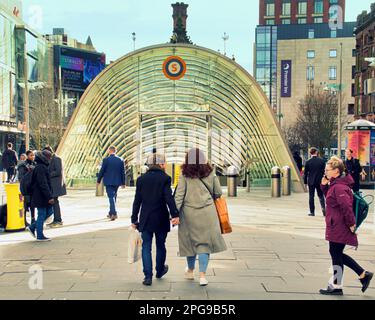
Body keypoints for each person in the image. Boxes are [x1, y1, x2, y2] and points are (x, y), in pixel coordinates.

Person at [319, 156, 373, 295]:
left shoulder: (340, 187)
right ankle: (362, 274)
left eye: (327, 169)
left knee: (336, 254)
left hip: (340, 226)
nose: (325, 171)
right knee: (336, 253)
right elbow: (331, 199)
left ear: (336, 171)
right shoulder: (336, 185)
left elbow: (346, 207)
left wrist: (351, 224)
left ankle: (338, 286)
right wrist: (324, 185)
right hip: (336, 224)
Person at [174, 148, 227, 287]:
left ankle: (190, 271)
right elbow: (218, 192)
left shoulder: (184, 174)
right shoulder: (210, 173)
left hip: (188, 214)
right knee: (204, 244)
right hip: (207, 213)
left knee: (190, 243)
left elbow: (179, 195)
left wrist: (174, 214)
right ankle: (202, 275)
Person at [131, 153, 180, 286]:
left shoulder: (141, 179)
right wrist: (175, 214)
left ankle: (148, 276)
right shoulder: (165, 178)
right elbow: (168, 198)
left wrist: (134, 219)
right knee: (160, 245)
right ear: (161, 164)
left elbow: (137, 201)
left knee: (146, 247)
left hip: (145, 218)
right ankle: (159, 270)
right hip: (160, 217)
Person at [26, 150, 55, 242]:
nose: (50, 159)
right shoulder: (41, 168)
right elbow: (43, 184)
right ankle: (39, 235)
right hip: (41, 196)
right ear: (45, 158)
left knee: (48, 212)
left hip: (41, 195)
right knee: (42, 214)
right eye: (49, 157)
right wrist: (49, 197)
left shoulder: (41, 167)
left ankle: (32, 227)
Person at [97, 146, 125, 221]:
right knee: (113, 196)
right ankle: (110, 213)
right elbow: (123, 172)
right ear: (115, 151)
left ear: (109, 151)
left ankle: (114, 213)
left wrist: (98, 180)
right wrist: (123, 183)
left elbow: (102, 171)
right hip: (117, 182)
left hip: (109, 181)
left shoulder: (106, 160)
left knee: (111, 197)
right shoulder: (120, 160)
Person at [43, 146, 67, 228]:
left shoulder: (56, 159)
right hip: (53, 184)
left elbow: (58, 171)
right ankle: (56, 219)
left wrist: (48, 175)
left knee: (55, 202)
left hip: (56, 184)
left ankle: (58, 220)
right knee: (54, 202)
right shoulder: (51, 159)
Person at [304, 147, 326, 217]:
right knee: (321, 195)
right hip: (319, 181)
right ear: (316, 152)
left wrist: (305, 183)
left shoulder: (308, 162)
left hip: (311, 181)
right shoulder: (322, 161)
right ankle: (323, 209)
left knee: (311, 196)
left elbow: (305, 173)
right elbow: (324, 172)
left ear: (310, 153)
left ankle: (312, 212)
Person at [17, 150, 36, 225]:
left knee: (32, 205)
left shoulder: (34, 164)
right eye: (31, 155)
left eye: (33, 155)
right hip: (26, 188)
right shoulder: (23, 165)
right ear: (27, 156)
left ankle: (33, 219)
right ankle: (24, 221)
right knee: (25, 205)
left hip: (32, 188)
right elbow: (21, 178)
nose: (33, 157)